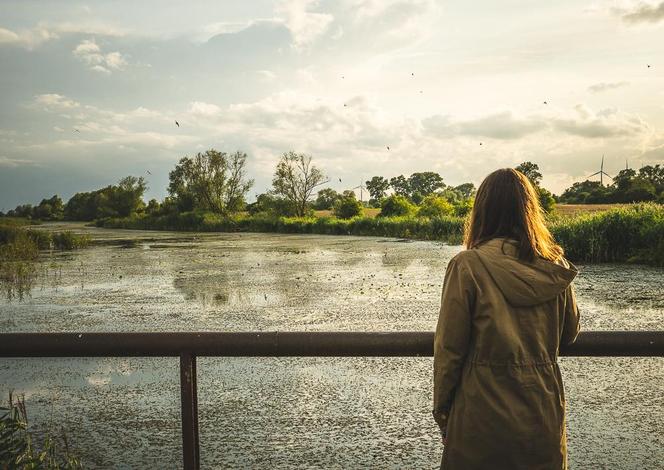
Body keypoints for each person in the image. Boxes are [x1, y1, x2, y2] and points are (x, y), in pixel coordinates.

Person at [432, 168, 580, 470]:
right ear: (530, 211)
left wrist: (443, 413)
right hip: (542, 410)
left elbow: (449, 349)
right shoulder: (556, 267)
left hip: (480, 413)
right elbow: (570, 333)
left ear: (482, 211)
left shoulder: (467, 265)